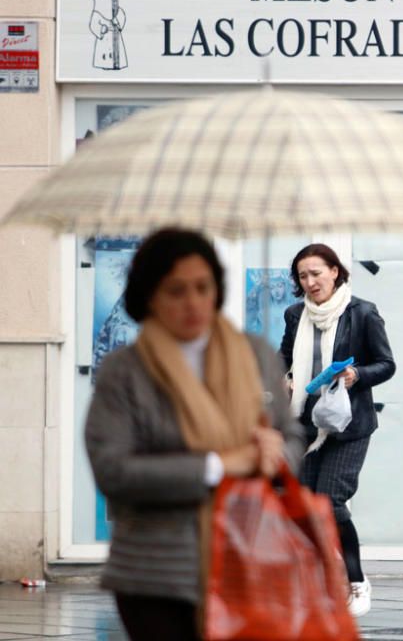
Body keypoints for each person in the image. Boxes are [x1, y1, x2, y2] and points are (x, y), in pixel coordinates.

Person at [85, 229, 303, 641]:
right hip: (156, 575)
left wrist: (275, 455)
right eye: (176, 290)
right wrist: (218, 465)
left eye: (203, 287)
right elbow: (113, 471)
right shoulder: (125, 371)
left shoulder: (254, 353)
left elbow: (290, 434)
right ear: (149, 295)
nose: (193, 302)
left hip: (248, 561)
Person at [280, 243, 395, 618]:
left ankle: (357, 581)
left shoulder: (362, 313)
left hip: (348, 425)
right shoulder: (296, 315)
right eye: (303, 276)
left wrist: (356, 374)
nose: (310, 282)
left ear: (334, 271)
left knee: (330, 501)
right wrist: (283, 377)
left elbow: (386, 364)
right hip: (305, 425)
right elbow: (285, 356)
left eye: (316, 272)